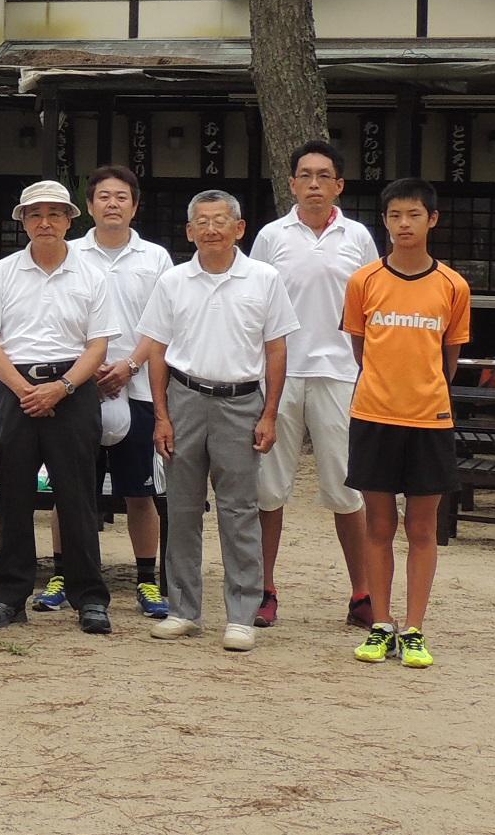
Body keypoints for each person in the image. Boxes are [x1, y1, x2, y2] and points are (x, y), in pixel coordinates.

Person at [132, 191, 297, 652]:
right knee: (182, 509)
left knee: (239, 511)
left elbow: (276, 350)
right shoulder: (172, 281)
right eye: (201, 222)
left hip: (241, 401)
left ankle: (241, 614)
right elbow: (157, 351)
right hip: (184, 398)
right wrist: (161, 415)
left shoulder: (264, 279)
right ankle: (184, 609)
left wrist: (270, 413)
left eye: (220, 220)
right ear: (189, 231)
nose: (211, 229)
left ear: (239, 228)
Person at [0, 179, 119, 634]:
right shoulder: (1, 273)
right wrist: (24, 390)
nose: (45, 223)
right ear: (23, 222)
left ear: (70, 220)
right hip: (14, 390)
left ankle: (89, 598)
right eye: (35, 215)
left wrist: (62, 387)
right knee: (13, 496)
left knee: (78, 498)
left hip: (73, 392)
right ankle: (8, 595)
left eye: (55, 214)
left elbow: (98, 345)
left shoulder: (93, 274)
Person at [248, 140, 382, 628]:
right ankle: (263, 590)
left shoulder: (358, 237)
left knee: (347, 487)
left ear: (339, 185)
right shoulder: (271, 236)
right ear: (291, 184)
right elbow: (253, 303)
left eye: (324, 175)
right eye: (304, 175)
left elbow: (373, 304)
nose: (314, 184)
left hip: (340, 373)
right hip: (278, 374)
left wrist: (369, 370)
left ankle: (363, 594)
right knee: (268, 488)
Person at [344, 178, 469, 670]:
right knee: (378, 524)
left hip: (430, 421)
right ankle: (381, 623)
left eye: (414, 215)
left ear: (432, 219)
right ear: (384, 221)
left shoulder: (453, 286)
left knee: (422, 527)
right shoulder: (364, 281)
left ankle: (414, 629)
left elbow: (449, 358)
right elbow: (360, 350)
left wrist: (422, 392)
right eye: (395, 215)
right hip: (373, 415)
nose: (404, 224)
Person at [62, 165, 172, 619]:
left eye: (121, 197)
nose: (112, 204)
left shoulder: (156, 258)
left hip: (139, 385)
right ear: (89, 206)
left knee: (139, 492)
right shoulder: (70, 253)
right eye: (103, 196)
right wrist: (84, 371)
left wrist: (130, 365)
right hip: (78, 386)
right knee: (73, 489)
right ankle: (65, 574)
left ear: (135, 205)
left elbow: (162, 323)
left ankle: (146, 579)